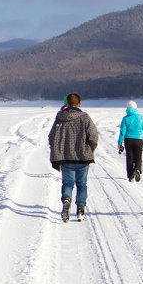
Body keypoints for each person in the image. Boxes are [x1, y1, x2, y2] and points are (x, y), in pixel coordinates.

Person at [49, 93, 99, 221]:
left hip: (66, 158)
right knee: (82, 184)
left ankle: (66, 200)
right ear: (79, 104)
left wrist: (57, 152)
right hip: (82, 157)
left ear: (67, 104)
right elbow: (93, 137)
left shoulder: (60, 118)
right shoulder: (85, 117)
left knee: (67, 183)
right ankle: (81, 209)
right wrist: (89, 149)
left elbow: (52, 137)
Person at [117, 101, 143, 182]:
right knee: (138, 157)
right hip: (138, 139)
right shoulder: (140, 117)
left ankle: (131, 176)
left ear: (127, 108)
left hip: (128, 140)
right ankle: (138, 169)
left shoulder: (125, 118)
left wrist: (119, 143)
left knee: (130, 158)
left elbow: (122, 132)